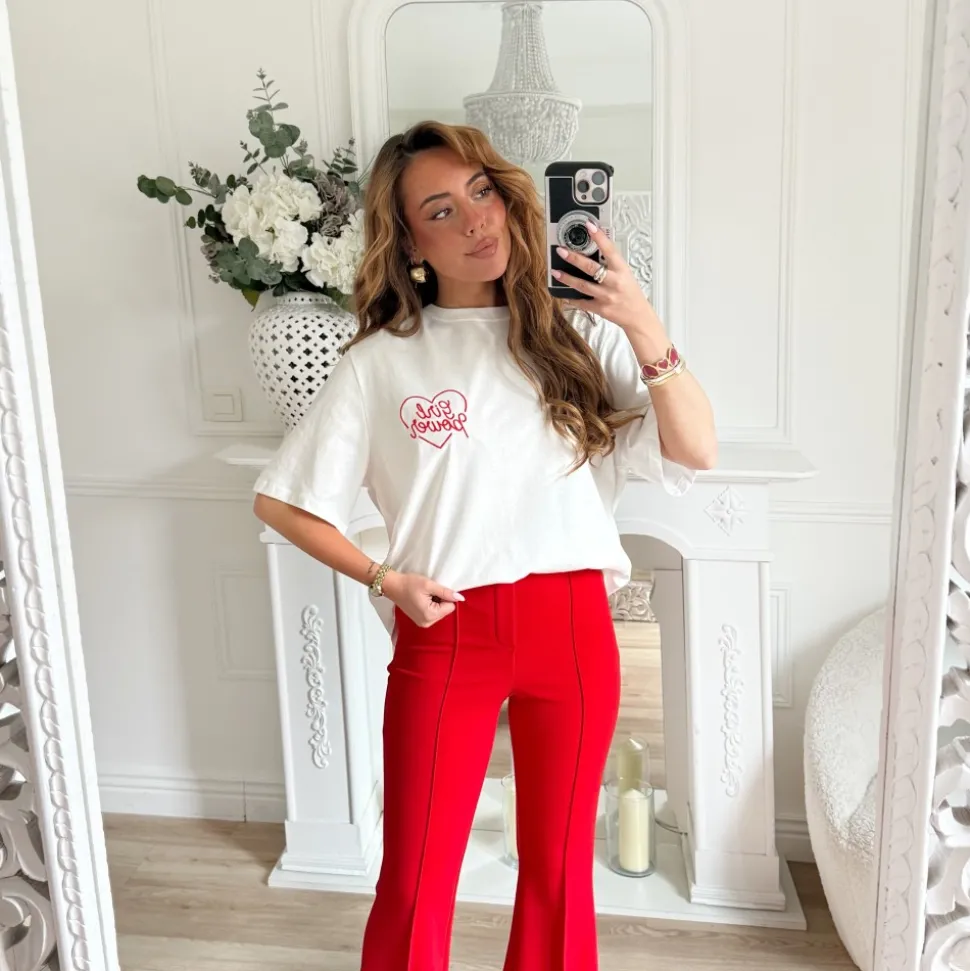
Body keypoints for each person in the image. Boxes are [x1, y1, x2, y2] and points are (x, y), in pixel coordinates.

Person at [252, 120, 716, 971]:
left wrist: (640, 318)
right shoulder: (380, 363)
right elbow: (282, 501)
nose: (476, 220)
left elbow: (696, 447)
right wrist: (383, 577)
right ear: (410, 244)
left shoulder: (580, 338)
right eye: (441, 209)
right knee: (415, 878)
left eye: (482, 191)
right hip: (447, 633)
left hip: (573, 629)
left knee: (559, 876)